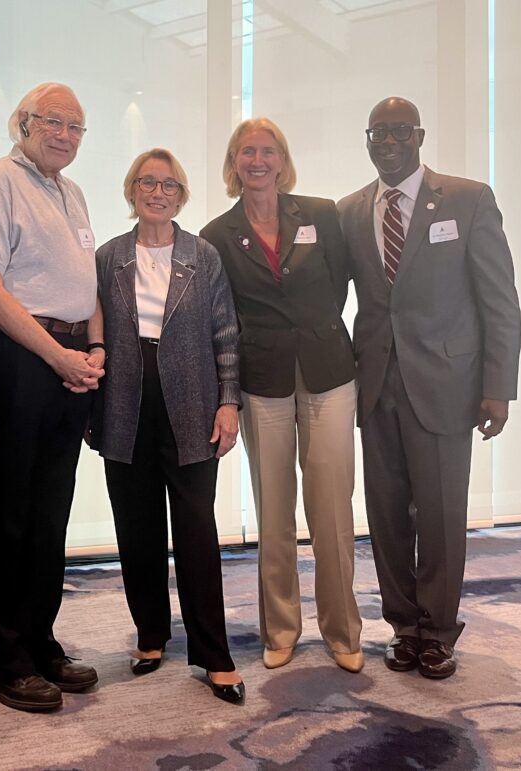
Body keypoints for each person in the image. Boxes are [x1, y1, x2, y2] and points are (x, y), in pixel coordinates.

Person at [337, 96, 521, 679]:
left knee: (441, 513)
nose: (388, 142)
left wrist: (499, 387)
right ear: (367, 140)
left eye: (399, 131)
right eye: (378, 133)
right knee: (387, 513)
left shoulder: (467, 199)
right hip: (375, 386)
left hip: (446, 384)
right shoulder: (349, 211)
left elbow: (499, 300)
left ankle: (439, 631)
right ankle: (404, 626)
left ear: (419, 135)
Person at [200, 118, 363, 674]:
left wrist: (313, 328)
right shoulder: (217, 234)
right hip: (263, 378)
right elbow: (223, 313)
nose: (258, 160)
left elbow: (341, 282)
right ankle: (282, 628)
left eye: (268, 151)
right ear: (234, 162)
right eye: (247, 151)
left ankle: (343, 630)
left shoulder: (321, 214)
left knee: (332, 505)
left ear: (282, 159)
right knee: (273, 509)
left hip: (328, 369)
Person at [0, 82, 103, 712]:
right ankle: (3, 659)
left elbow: (88, 281)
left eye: (75, 127)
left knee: (51, 512)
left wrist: (96, 352)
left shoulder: (71, 193)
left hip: (71, 359)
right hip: (23, 357)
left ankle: (40, 638)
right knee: (10, 512)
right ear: (22, 123)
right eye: (53, 122)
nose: (65, 135)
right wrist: (57, 356)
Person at [94, 149, 245, 705]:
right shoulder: (109, 257)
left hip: (192, 406)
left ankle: (213, 653)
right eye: (146, 183)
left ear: (181, 196)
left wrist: (229, 403)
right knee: (137, 531)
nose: (157, 192)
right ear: (131, 191)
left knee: (196, 533)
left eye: (169, 185)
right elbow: (95, 334)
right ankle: (151, 634)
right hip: (126, 406)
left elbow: (226, 333)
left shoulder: (202, 255)